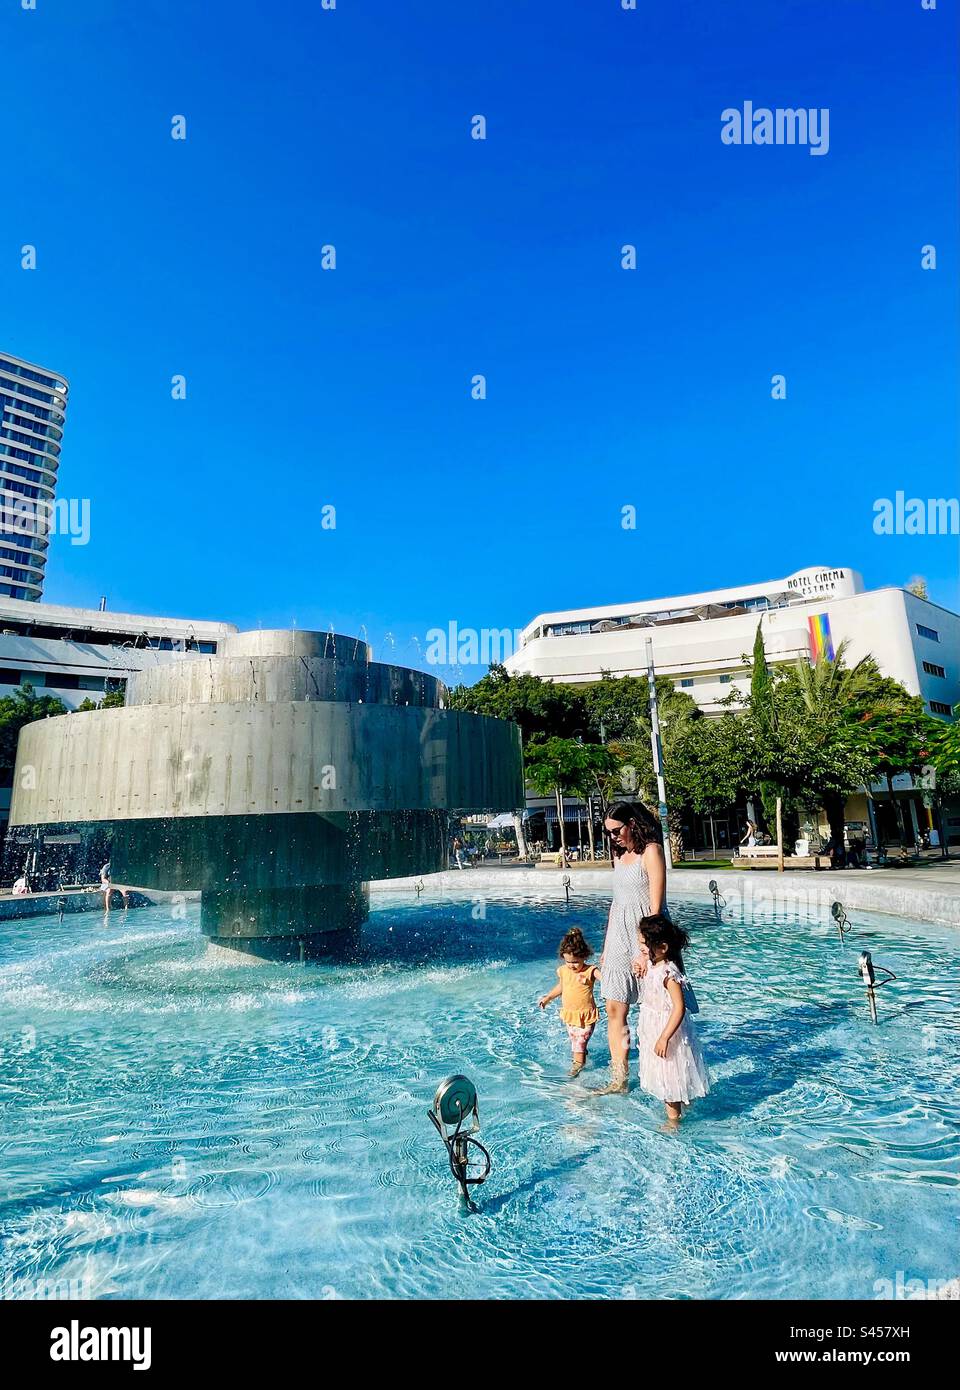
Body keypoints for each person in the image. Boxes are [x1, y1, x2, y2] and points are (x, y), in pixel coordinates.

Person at [595, 802, 668, 1096]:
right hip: (617, 938)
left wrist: (644, 949)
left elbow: (656, 908)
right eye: (608, 833)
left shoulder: (651, 852)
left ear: (632, 824)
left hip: (647, 938)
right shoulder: (619, 857)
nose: (613, 837)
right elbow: (617, 903)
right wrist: (606, 946)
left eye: (616, 830)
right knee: (614, 1008)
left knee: (657, 1010)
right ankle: (619, 1079)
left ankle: (664, 1076)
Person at [636, 913, 710, 1125]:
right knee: (665, 1073)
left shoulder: (669, 973)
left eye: (644, 943)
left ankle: (673, 1121)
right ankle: (683, 1106)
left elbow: (679, 1007)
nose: (640, 947)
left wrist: (665, 1037)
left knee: (670, 1075)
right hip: (654, 1028)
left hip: (667, 1030)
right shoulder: (653, 965)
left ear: (663, 948)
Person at [538, 927, 600, 1077]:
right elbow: (561, 986)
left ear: (584, 956)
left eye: (575, 962)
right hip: (570, 1016)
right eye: (568, 962)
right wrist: (548, 998)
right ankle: (582, 1056)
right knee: (576, 1043)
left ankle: (577, 1069)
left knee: (577, 1046)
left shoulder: (590, 970)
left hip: (585, 1017)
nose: (571, 965)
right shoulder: (564, 971)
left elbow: (605, 978)